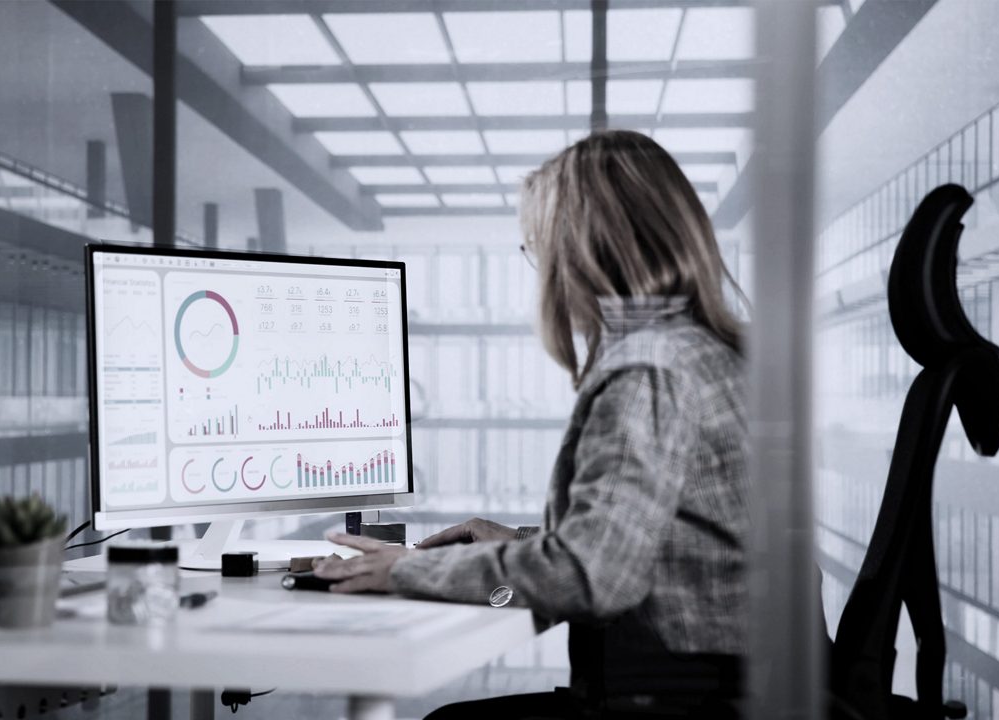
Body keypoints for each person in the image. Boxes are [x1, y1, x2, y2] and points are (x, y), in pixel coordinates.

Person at [315, 129, 749, 720]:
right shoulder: (698, 350)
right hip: (720, 687)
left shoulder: (649, 369)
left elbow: (594, 577)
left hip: (678, 699)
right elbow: (651, 543)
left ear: (581, 254)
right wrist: (524, 545)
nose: (539, 270)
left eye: (537, 248)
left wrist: (411, 567)